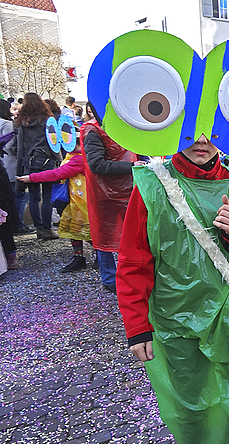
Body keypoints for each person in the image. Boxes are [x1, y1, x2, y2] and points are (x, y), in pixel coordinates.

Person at [116, 133, 229, 444]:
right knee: (193, 404)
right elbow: (134, 260)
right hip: (176, 322)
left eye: (210, 130)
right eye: (191, 130)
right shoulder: (153, 187)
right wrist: (137, 326)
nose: (201, 140)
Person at [80, 102, 142, 293]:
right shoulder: (94, 131)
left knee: (133, 234)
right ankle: (110, 280)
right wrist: (135, 167)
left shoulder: (122, 128)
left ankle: (132, 275)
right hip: (105, 194)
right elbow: (96, 165)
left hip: (127, 191)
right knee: (106, 235)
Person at [17, 129, 92, 273]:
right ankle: (82, 257)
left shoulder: (77, 159)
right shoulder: (76, 155)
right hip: (77, 201)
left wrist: (31, 177)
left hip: (83, 202)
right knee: (75, 229)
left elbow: (57, 173)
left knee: (86, 230)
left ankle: (98, 256)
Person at [12, 92, 61, 240]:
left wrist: (20, 166)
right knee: (47, 197)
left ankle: (39, 229)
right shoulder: (48, 119)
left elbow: (18, 147)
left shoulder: (22, 122)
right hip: (47, 162)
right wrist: (59, 162)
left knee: (33, 197)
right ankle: (48, 229)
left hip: (29, 163)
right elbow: (54, 143)